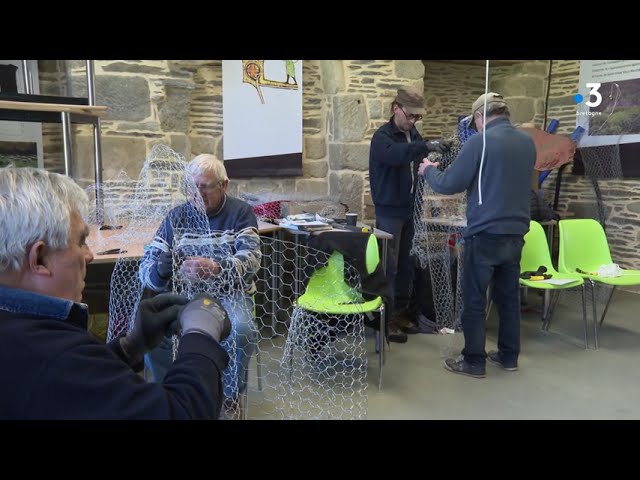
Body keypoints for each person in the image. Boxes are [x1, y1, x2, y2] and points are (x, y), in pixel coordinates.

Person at [0, 167, 231, 419]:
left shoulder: (23, 338)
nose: (88, 255)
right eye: (80, 242)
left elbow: (77, 390)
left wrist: (127, 348)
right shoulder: (52, 355)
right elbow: (180, 413)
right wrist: (201, 336)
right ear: (39, 259)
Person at [418, 92, 536, 378]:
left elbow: (450, 183)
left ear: (480, 117)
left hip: (484, 234)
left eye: (475, 122)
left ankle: (473, 360)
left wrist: (429, 171)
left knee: (473, 299)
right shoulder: (527, 142)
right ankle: (509, 356)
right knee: (507, 299)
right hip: (516, 232)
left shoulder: (478, 142)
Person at [139, 154, 261, 411]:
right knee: (148, 328)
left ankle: (228, 398)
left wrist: (216, 269)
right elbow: (146, 269)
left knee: (241, 328)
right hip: (185, 297)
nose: (198, 194)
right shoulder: (175, 217)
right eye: (192, 187)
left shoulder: (241, 213)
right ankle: (170, 397)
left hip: (231, 295)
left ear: (224, 185)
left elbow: (251, 262)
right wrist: (161, 270)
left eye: (205, 186)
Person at [369, 86, 451, 342]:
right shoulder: (383, 137)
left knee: (406, 264)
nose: (414, 121)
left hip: (410, 209)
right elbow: (397, 156)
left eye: (418, 117)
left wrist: (431, 159)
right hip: (389, 211)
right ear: (396, 109)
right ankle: (387, 318)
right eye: (411, 116)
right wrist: (426, 146)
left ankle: (402, 313)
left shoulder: (412, 134)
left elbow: (417, 154)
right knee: (390, 267)